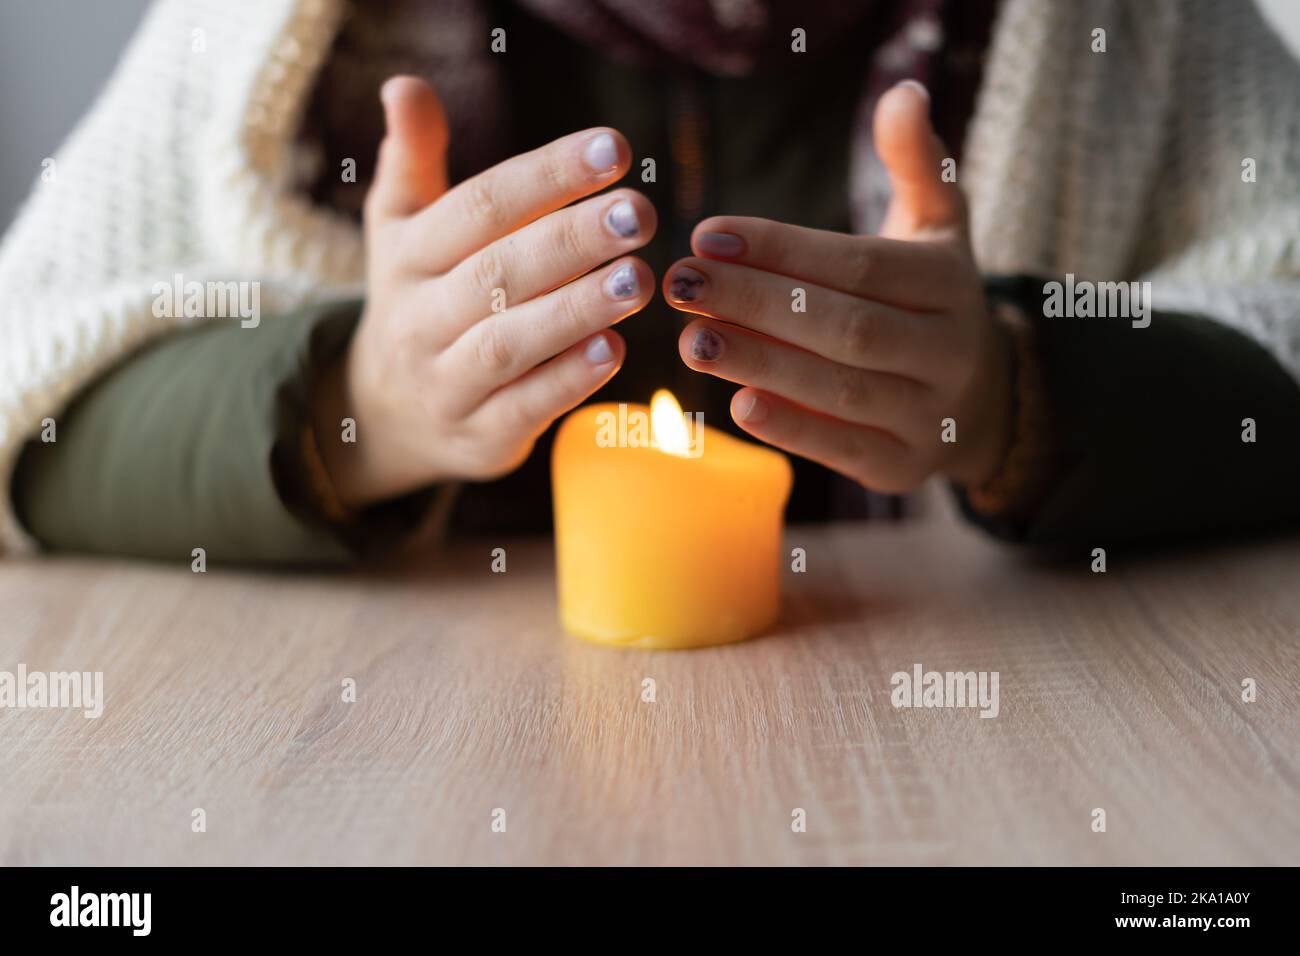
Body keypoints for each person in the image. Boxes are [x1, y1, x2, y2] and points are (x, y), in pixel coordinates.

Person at [3, 0, 1299, 564]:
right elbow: (29, 392)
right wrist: (364, 406)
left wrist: (1017, 394)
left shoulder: (1134, 25)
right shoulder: (273, 34)